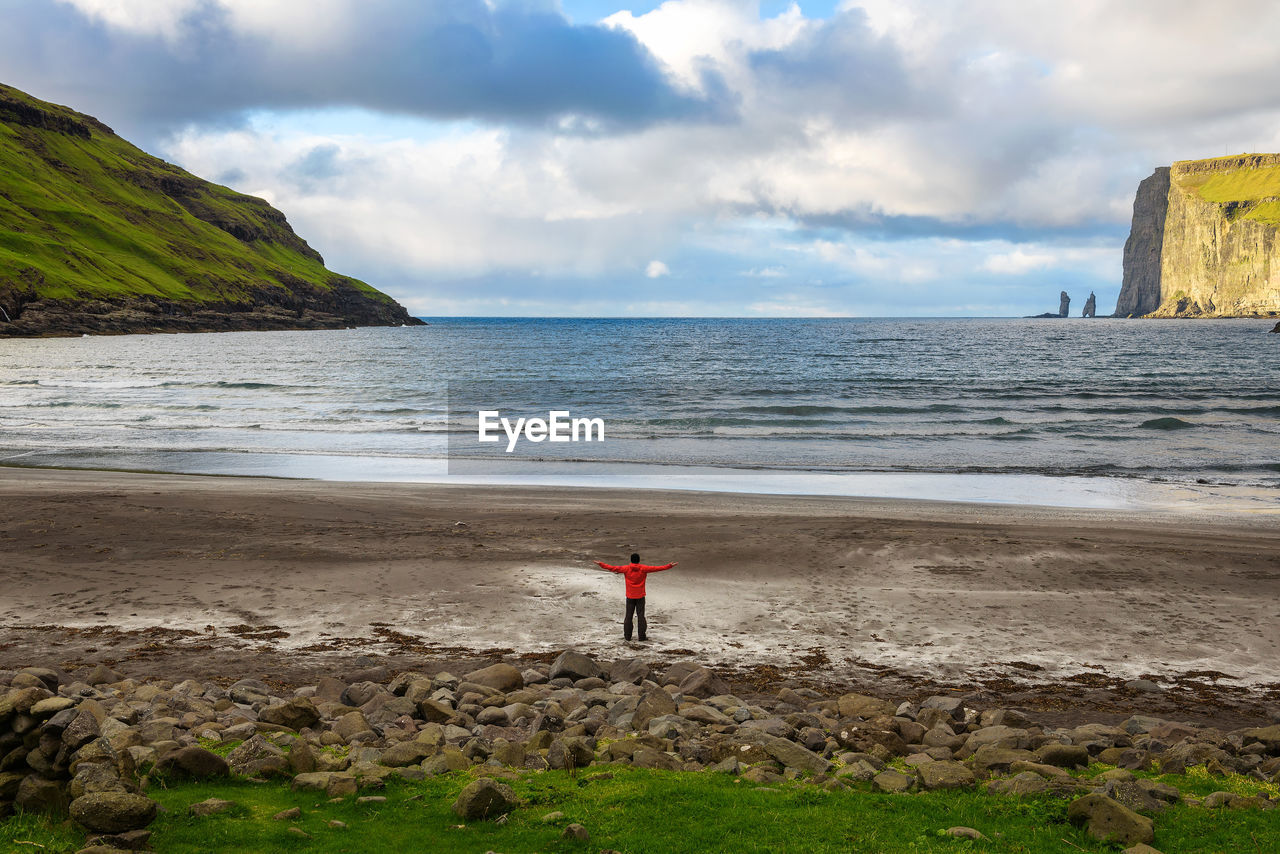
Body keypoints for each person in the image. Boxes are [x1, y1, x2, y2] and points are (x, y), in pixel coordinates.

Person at [594, 552, 677, 642]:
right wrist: (669, 566)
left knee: (628, 616)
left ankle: (627, 637)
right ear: (638, 560)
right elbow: (657, 568)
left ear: (631, 560)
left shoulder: (626, 568)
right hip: (640, 596)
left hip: (630, 596)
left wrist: (601, 564)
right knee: (641, 616)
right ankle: (641, 637)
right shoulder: (643, 568)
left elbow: (613, 568)